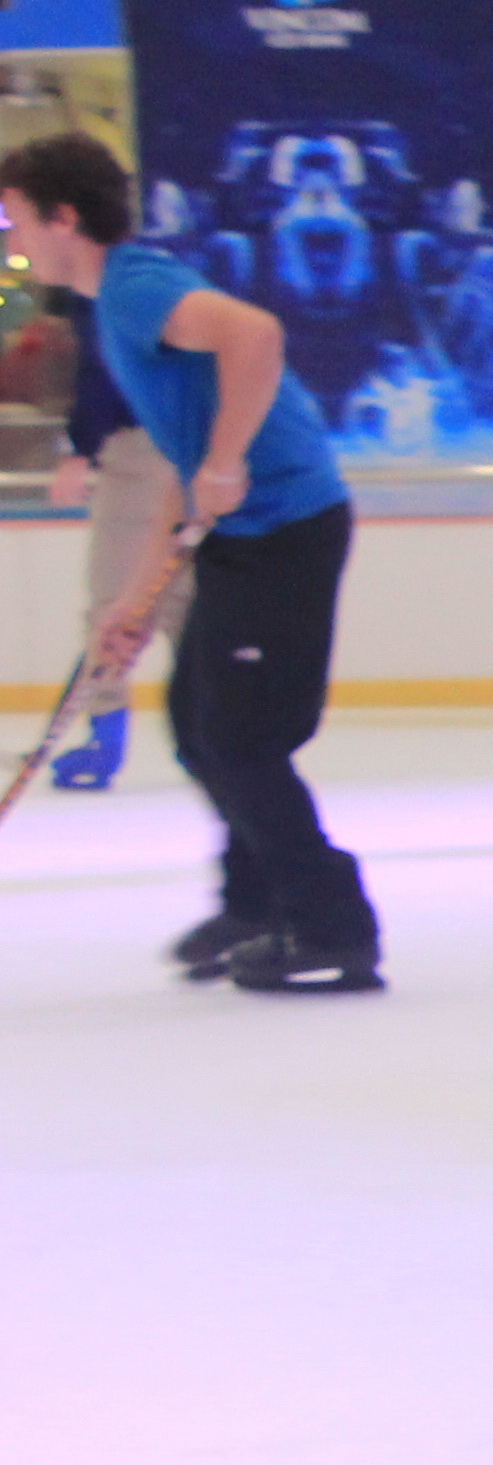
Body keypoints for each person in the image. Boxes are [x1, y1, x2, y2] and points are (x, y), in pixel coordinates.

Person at [7, 131, 378, 990]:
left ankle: (331, 930)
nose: (11, 240)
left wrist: (225, 464)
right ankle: (254, 904)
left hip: (287, 530)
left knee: (242, 740)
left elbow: (255, 334)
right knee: (201, 727)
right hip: (241, 538)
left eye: (17, 221)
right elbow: (187, 451)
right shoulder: (115, 303)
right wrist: (131, 603)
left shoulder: (136, 290)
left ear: (65, 219)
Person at [10, 266, 186, 796]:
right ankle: (207, 734)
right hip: (178, 447)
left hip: (141, 450)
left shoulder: (103, 291)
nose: (16, 246)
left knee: (120, 602)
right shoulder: (138, 280)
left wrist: (82, 448)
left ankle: (106, 736)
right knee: (177, 600)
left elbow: (101, 372)